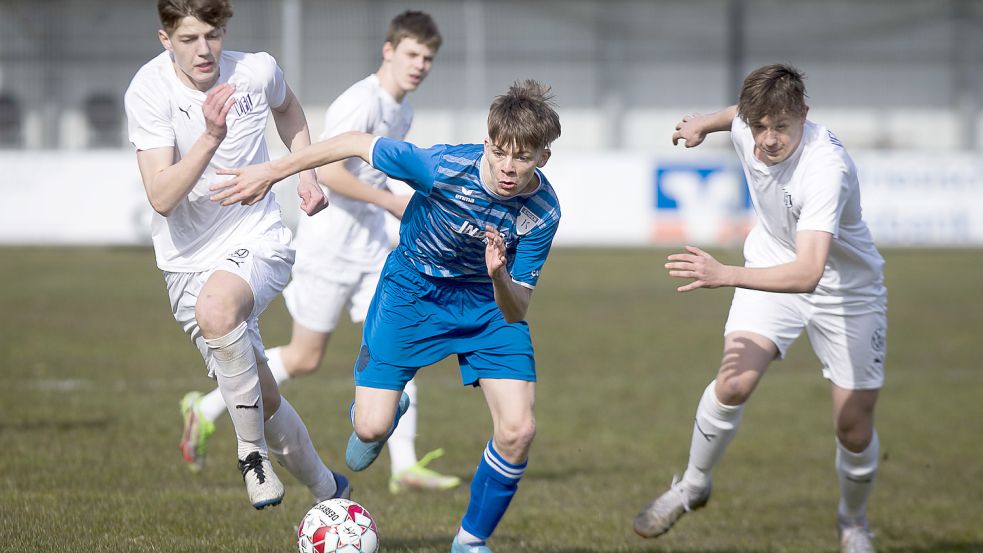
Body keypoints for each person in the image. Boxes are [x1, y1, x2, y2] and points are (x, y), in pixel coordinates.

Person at [212, 80, 562, 553]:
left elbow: (517, 307)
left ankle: (470, 541)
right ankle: (382, 412)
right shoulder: (443, 166)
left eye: (521, 157)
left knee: (519, 430)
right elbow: (353, 143)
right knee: (370, 430)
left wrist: (499, 275)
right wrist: (273, 172)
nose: (506, 166)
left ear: (543, 156)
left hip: (486, 303)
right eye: (499, 152)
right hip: (413, 292)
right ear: (486, 144)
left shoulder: (542, 211)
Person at [178, 10, 460, 495]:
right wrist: (392, 201)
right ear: (389, 50)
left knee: (399, 342)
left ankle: (405, 466)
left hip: (374, 247)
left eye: (428, 58)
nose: (420, 65)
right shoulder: (360, 101)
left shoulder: (403, 109)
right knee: (306, 357)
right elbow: (329, 171)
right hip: (329, 244)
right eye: (412, 54)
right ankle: (205, 408)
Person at [633, 64, 886, 553]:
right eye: (759, 126)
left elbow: (809, 272)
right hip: (770, 261)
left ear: (804, 116)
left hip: (845, 291)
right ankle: (692, 484)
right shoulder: (749, 124)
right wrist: (704, 122)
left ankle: (853, 522)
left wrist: (726, 274)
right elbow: (735, 116)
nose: (767, 140)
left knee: (852, 427)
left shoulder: (824, 169)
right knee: (732, 383)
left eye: (781, 127)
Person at [124, 0, 350, 510]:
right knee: (263, 400)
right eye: (188, 39)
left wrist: (304, 173)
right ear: (165, 39)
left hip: (259, 236)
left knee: (217, 307)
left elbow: (288, 109)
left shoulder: (256, 71)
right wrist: (210, 136)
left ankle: (250, 456)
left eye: (212, 34)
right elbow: (161, 197)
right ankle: (328, 490)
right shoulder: (148, 90)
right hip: (185, 262)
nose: (204, 50)